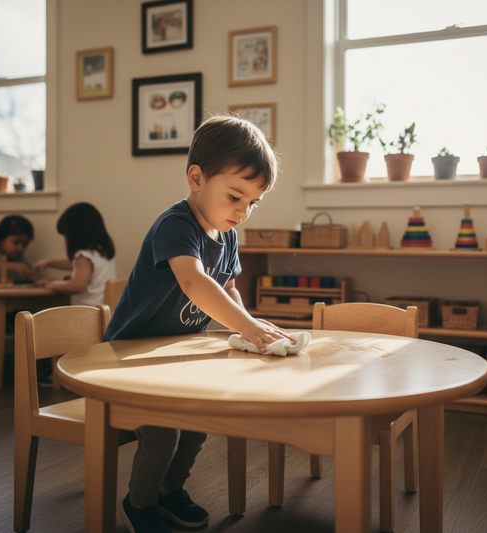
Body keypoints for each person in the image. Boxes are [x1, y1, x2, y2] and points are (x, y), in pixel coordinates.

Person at [104, 115, 293, 533]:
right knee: (164, 434)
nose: (242, 212)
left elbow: (227, 289)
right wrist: (245, 326)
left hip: (175, 357)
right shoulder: (176, 224)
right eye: (234, 197)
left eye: (252, 203)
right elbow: (194, 281)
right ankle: (141, 503)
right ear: (196, 178)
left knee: (196, 426)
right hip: (128, 357)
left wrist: (247, 325)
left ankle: (170, 492)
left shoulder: (227, 235)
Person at [33, 202, 116, 306]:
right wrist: (48, 263)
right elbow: (77, 265)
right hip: (104, 311)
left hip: (88, 313)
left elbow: (76, 286)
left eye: (66, 236)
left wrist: (51, 285)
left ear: (76, 235)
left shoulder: (85, 257)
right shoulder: (102, 252)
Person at [0, 214, 34, 283]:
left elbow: (30, 270)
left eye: (24, 245)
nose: (20, 248)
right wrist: (13, 266)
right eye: (16, 243)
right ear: (1, 239)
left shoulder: (21, 259)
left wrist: (32, 273)